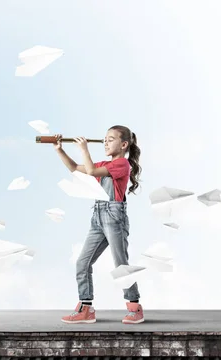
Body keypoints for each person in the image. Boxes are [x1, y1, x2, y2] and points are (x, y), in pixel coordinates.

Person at [55, 125, 144, 324]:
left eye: (110, 139)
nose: (105, 142)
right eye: (104, 139)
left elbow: (92, 170)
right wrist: (59, 149)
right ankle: (86, 308)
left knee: (120, 264)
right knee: (82, 262)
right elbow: (76, 169)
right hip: (98, 217)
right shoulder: (106, 164)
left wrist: (84, 149)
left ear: (123, 144)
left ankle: (134, 307)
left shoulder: (122, 164)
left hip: (114, 217)